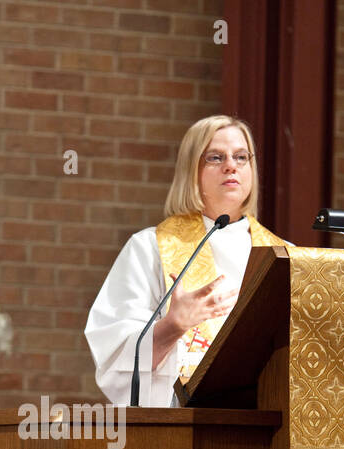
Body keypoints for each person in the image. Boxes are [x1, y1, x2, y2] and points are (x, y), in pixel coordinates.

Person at [84, 115, 293, 406]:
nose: (231, 165)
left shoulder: (286, 256)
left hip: (266, 419)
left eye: (241, 157)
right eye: (215, 157)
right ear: (191, 170)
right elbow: (115, 359)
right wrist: (172, 326)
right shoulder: (150, 248)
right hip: (184, 423)